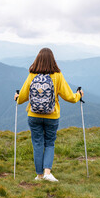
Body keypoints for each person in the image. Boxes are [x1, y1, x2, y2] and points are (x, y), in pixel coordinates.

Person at [14, 48, 84, 182]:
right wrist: (78, 95)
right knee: (50, 143)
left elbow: (22, 97)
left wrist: (16, 97)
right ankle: (47, 173)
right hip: (52, 116)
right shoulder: (57, 75)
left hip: (33, 115)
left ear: (37, 59)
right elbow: (69, 96)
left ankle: (39, 175)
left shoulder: (32, 75)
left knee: (37, 143)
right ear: (53, 60)